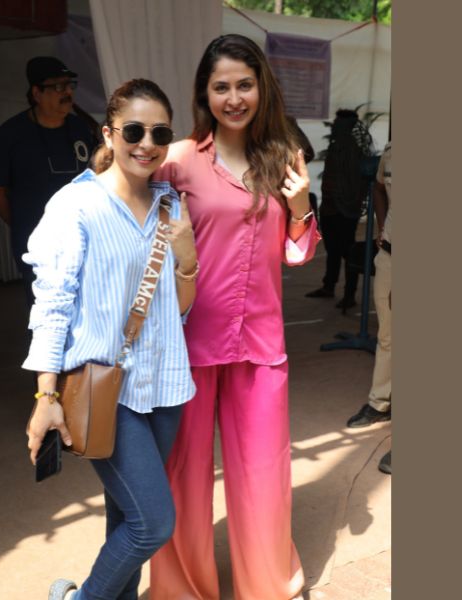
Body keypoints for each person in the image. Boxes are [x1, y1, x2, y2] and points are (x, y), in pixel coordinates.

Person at [149, 34, 319, 600]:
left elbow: (296, 253)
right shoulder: (177, 160)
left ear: (261, 87)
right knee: (183, 477)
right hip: (188, 345)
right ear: (205, 93)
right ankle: (181, 589)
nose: (234, 98)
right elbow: (140, 235)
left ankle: (267, 585)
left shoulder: (283, 158)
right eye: (221, 86)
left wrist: (300, 207)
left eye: (244, 85)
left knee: (264, 474)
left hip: (260, 343)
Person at [22, 79, 198, 600]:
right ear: (108, 133)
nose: (147, 144)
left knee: (126, 515)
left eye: (160, 133)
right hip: (105, 388)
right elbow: (52, 304)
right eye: (134, 131)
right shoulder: (75, 205)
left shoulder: (170, 205)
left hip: (165, 383)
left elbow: (179, 309)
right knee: (152, 523)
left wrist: (187, 258)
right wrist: (46, 395)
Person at [0, 56, 98, 307]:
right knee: (46, 313)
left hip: (83, 240)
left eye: (69, 85)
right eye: (58, 86)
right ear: (36, 93)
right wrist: (21, 224)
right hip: (37, 245)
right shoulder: (11, 134)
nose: (67, 92)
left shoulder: (81, 128)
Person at [346, 142, 392, 474]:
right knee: (388, 336)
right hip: (390, 253)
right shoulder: (391, 152)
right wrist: (382, 223)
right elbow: (378, 186)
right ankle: (381, 402)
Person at [305, 108, 373, 309]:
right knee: (332, 250)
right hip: (330, 208)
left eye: (337, 124)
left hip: (344, 211)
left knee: (347, 252)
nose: (333, 127)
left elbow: (357, 185)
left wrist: (348, 204)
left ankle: (349, 295)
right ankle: (329, 286)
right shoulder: (336, 148)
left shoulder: (352, 151)